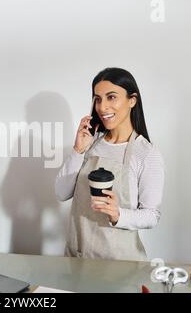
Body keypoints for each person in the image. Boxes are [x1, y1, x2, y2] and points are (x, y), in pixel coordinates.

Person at [55, 67, 164, 261]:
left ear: (132, 100)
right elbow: (62, 193)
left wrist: (118, 214)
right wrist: (77, 150)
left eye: (111, 97)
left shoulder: (145, 153)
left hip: (119, 265)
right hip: (77, 256)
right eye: (98, 99)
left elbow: (151, 215)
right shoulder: (91, 142)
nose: (102, 107)